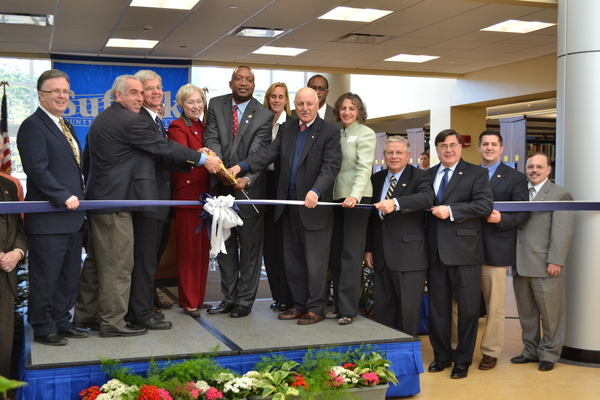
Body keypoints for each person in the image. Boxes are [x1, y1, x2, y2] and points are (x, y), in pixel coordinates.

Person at [74, 74, 221, 338]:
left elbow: (90, 161)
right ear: (117, 95)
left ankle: (85, 316)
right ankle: (113, 323)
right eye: (134, 93)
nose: (139, 98)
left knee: (97, 263)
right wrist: (201, 159)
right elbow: (162, 147)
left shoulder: (104, 118)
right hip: (117, 203)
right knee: (119, 266)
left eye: (141, 93)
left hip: (102, 200)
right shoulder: (129, 120)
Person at [229, 87, 342, 325]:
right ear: (295, 105)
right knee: (293, 263)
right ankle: (299, 305)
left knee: (315, 264)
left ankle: (316, 308)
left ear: (317, 103)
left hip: (314, 209)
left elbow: (331, 166)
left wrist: (316, 190)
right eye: (300, 104)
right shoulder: (287, 128)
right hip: (288, 208)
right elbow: (268, 153)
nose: (304, 108)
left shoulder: (329, 131)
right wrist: (241, 166)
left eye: (309, 104)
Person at [17, 69, 87, 346]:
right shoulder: (32, 126)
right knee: (46, 277)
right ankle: (43, 326)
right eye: (55, 91)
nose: (62, 96)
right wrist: (63, 195)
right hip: (49, 218)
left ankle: (61, 320)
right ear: (41, 94)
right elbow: (36, 169)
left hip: (72, 217)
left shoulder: (65, 124)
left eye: (65, 91)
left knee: (69, 276)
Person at [203, 66, 273, 318]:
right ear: (231, 83)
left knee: (250, 251)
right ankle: (229, 298)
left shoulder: (264, 115)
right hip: (219, 189)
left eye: (249, 80)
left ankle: (245, 301)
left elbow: (258, 154)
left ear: (254, 86)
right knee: (225, 249)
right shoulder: (216, 104)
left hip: (248, 192)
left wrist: (242, 178)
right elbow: (210, 139)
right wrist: (220, 170)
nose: (244, 83)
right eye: (239, 79)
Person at [426, 129, 493, 379]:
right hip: (434, 255)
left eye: (453, 145)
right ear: (437, 149)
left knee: (467, 311)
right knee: (438, 310)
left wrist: (451, 210)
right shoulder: (428, 174)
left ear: (460, 147)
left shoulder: (476, 173)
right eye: (443, 146)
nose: (448, 150)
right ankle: (441, 356)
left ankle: (462, 360)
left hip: (465, 254)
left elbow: (485, 205)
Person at [364, 136, 434, 336]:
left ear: (408, 155)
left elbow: (427, 197)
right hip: (381, 257)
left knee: (408, 313)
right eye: (390, 152)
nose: (394, 156)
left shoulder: (420, 176)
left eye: (399, 152)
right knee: (384, 311)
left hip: (409, 258)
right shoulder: (377, 179)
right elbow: (371, 218)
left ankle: (406, 357)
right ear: (384, 155)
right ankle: (386, 357)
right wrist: (369, 248)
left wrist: (396, 203)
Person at [511, 152, 574, 372]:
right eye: (530, 167)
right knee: (527, 314)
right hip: (520, 264)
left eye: (539, 167)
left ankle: (548, 353)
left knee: (551, 314)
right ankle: (530, 350)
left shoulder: (560, 195)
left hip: (546, 265)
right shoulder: (519, 193)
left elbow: (562, 231)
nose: (534, 170)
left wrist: (556, 260)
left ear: (549, 170)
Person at [126, 69, 176, 329]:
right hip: (147, 202)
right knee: (144, 261)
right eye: (150, 88)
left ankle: (145, 306)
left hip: (161, 202)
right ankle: (140, 314)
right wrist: (198, 158)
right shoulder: (139, 120)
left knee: (151, 261)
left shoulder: (155, 118)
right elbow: (163, 151)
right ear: (138, 92)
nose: (156, 92)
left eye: (159, 87)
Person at [475, 131, 530, 370]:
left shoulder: (515, 178)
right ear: (479, 148)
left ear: (501, 149)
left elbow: (522, 213)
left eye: (493, 144)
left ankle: (490, 351)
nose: (489, 148)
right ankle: (459, 348)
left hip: (495, 250)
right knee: (461, 304)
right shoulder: (469, 173)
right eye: (485, 144)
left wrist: (501, 218)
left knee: (495, 306)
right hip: (465, 248)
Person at [327, 92, 376, 325]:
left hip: (357, 199)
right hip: (337, 199)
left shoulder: (365, 133)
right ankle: (339, 306)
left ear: (359, 111)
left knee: (351, 255)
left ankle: (349, 309)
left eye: (352, 108)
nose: (347, 112)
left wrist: (355, 195)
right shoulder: (337, 133)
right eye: (344, 108)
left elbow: (364, 168)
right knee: (336, 254)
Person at [168, 84, 211, 317]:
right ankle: (189, 300)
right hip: (188, 197)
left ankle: (198, 297)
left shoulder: (203, 126)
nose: (196, 106)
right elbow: (181, 162)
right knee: (188, 252)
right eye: (190, 102)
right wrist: (205, 158)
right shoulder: (177, 126)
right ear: (181, 105)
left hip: (207, 197)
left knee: (203, 251)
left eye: (199, 101)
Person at [262, 82, 293, 312]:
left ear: (286, 100)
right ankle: (277, 296)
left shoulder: (292, 125)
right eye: (273, 96)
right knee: (269, 247)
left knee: (285, 246)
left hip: (283, 188)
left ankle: (288, 296)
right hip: (262, 186)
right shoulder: (260, 123)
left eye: (281, 96)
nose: (276, 100)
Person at [0, 175, 27, 380]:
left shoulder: (9, 185)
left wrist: (18, 251)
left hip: (6, 275)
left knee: (3, 341)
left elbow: (19, 225)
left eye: (0, 151)